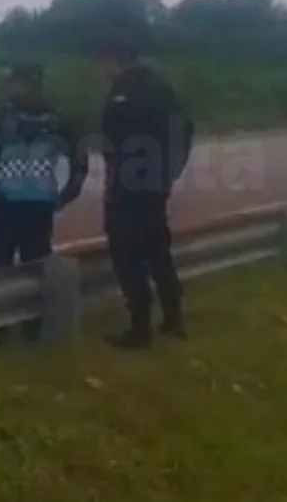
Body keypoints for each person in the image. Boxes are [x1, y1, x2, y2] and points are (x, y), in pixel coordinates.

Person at [92, 42, 195, 349]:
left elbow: (113, 139)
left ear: (114, 60)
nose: (101, 69)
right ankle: (173, 319)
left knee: (127, 252)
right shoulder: (162, 88)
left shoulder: (124, 92)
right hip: (156, 182)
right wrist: (172, 170)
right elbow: (184, 130)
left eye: (103, 62)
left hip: (129, 184)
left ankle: (140, 328)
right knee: (157, 248)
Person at [0, 62, 89, 271]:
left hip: (3, 202)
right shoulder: (57, 116)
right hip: (40, 201)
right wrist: (68, 194)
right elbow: (80, 160)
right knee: (37, 261)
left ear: (20, 83)